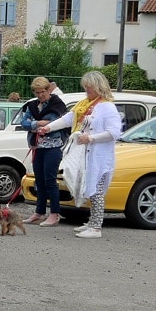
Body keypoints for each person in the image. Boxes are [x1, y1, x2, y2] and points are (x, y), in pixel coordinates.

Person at [37, 70, 122, 239]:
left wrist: (91, 138)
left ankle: (96, 227)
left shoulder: (107, 107)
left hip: (99, 156)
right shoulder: (84, 104)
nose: (87, 91)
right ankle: (92, 223)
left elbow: (114, 132)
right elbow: (68, 119)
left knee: (96, 190)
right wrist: (49, 128)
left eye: (89, 88)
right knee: (88, 187)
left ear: (98, 87)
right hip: (86, 155)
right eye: (86, 88)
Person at [20, 76, 69, 226]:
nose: (40, 95)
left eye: (42, 92)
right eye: (37, 92)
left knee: (50, 181)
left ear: (48, 90)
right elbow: (23, 122)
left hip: (53, 148)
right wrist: (38, 123)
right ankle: (39, 212)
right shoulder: (33, 105)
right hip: (37, 147)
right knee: (39, 180)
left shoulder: (57, 103)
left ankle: (54, 213)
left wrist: (34, 123)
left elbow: (54, 122)